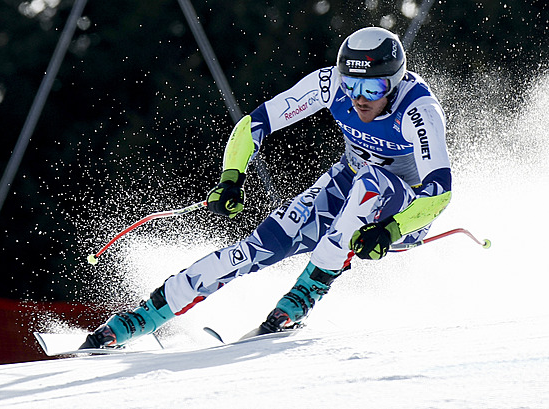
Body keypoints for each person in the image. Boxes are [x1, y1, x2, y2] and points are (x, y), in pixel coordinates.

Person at [81, 26, 452, 348]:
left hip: (404, 212)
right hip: (348, 185)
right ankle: (141, 317)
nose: (359, 98)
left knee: (372, 180)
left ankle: (304, 294)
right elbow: (254, 124)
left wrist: (392, 228)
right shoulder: (330, 85)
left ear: (396, 81)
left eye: (373, 87)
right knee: (257, 247)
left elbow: (440, 191)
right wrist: (231, 178)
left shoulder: (419, 110)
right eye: (353, 83)